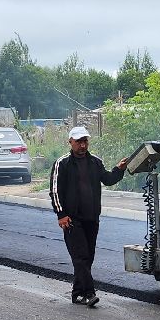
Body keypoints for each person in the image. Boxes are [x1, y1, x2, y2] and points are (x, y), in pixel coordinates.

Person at [50, 125, 128, 307]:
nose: (82, 145)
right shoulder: (62, 163)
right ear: (70, 142)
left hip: (91, 218)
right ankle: (90, 293)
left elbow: (108, 180)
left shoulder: (95, 162)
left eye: (85, 141)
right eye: (78, 142)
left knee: (88, 256)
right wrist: (61, 214)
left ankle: (77, 293)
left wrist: (119, 169)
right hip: (71, 219)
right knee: (81, 256)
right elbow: (55, 191)